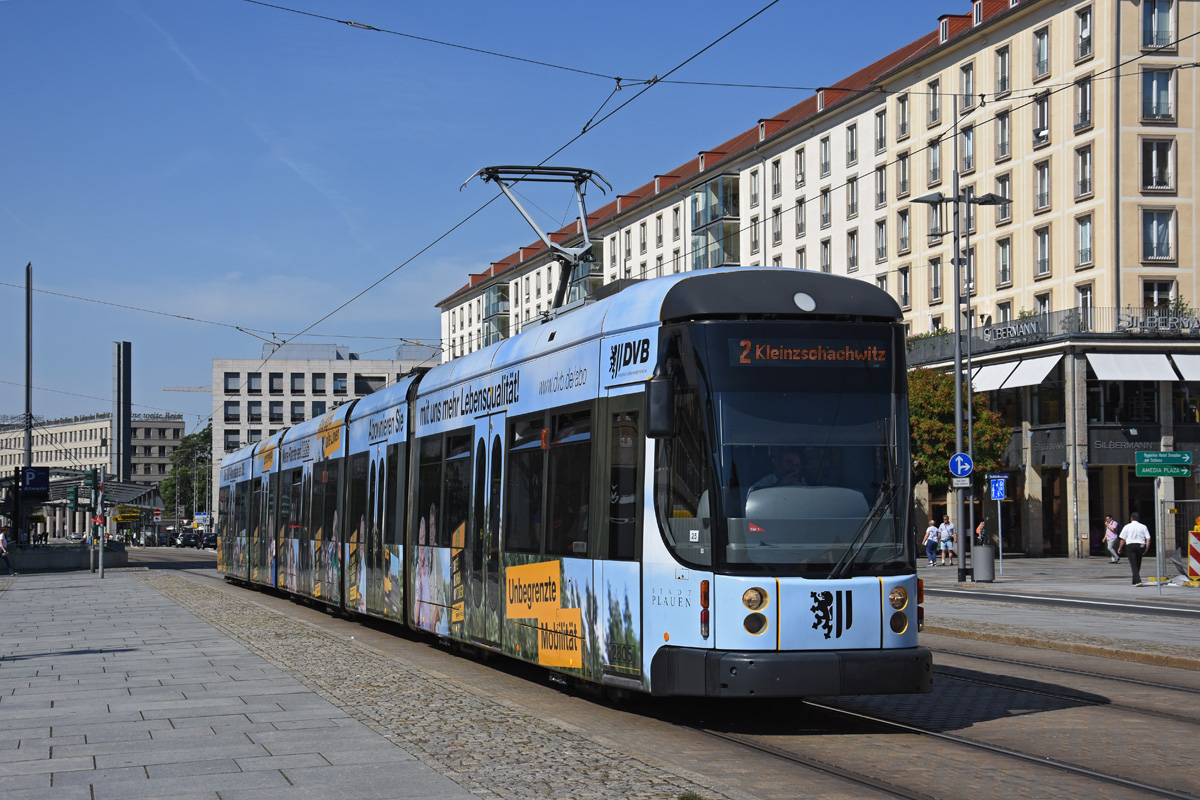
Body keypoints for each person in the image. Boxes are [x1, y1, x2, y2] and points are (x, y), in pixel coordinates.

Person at [1118, 512, 1152, 586]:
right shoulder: (1143, 526)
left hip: (1130, 545)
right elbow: (1148, 538)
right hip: (1140, 545)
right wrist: (1146, 548)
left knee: (1133, 563)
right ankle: (1134, 581)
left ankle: (1138, 581)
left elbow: (1123, 539)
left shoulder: (1127, 526)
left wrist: (1120, 547)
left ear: (1131, 518)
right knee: (1138, 563)